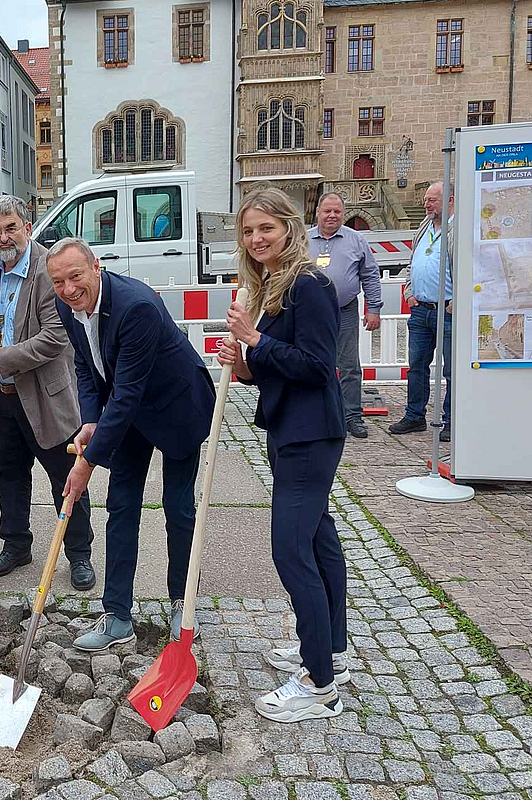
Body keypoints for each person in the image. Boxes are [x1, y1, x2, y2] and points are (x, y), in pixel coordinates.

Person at [216, 187, 348, 723]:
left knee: (291, 552)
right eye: (248, 232)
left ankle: (319, 685)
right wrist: (246, 362)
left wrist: (254, 340)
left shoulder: (310, 285)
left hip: (310, 436)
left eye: (266, 229)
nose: (256, 239)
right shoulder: (275, 285)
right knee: (319, 539)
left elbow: (318, 367)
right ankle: (331, 650)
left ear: (289, 228)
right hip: (291, 429)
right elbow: (283, 365)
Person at [49, 237, 216, 651]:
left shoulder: (135, 306)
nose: (68, 289)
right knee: (121, 507)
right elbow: (86, 369)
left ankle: (183, 602)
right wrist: (90, 421)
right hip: (129, 413)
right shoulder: (66, 308)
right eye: (58, 282)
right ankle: (118, 616)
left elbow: (126, 392)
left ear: (96, 266)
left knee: (178, 508)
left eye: (75, 276)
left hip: (176, 406)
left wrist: (87, 463)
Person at [0, 196, 95, 590]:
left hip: (44, 397)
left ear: (27, 228)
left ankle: (79, 553)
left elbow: (55, 338)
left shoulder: (48, 270)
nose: (3, 238)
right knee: (9, 475)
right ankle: (16, 545)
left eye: (10, 228)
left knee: (64, 476)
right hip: (0, 394)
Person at [308, 193, 383, 439]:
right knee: (312, 363)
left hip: (345, 310)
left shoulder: (356, 240)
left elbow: (370, 275)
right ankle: (318, 415)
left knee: (349, 365)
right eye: (327, 211)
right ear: (317, 212)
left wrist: (374, 309)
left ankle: (352, 416)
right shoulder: (302, 240)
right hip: (312, 313)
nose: (332, 216)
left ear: (343, 213)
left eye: (337, 212)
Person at [389, 182, 454, 442]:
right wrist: (409, 293)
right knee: (416, 366)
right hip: (421, 310)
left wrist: (456, 301)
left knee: (452, 370)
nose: (426, 204)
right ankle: (415, 416)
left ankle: (451, 420)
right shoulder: (424, 227)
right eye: (426, 200)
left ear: (449, 200)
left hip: (448, 310)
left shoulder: (458, 228)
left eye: (432, 200)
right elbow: (412, 262)